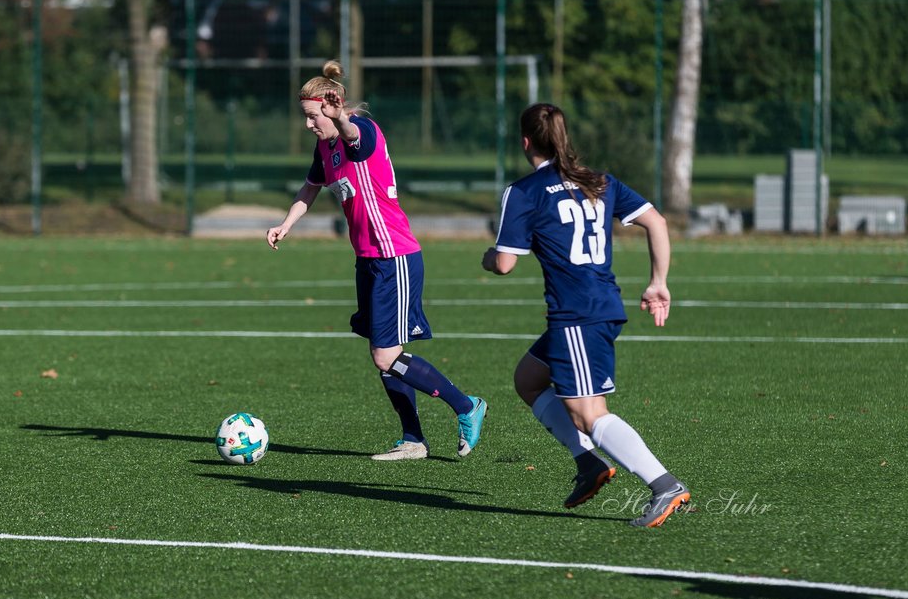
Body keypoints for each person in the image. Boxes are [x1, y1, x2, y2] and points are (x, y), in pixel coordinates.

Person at [481, 103, 689, 528]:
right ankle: (589, 464)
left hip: (576, 314)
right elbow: (657, 221)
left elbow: (504, 263)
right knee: (529, 379)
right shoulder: (599, 182)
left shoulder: (524, 191)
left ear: (525, 142)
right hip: (602, 305)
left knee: (589, 414)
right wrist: (658, 282)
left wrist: (488, 256)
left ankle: (664, 484)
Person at [267, 60, 486, 461]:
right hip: (367, 260)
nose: (309, 124)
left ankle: (466, 406)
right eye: (307, 117)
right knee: (384, 354)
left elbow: (353, 135)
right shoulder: (325, 147)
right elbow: (310, 187)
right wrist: (285, 224)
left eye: (313, 116)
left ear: (332, 108)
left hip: (394, 257)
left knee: (386, 355)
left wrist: (341, 118)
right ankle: (413, 440)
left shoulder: (360, 132)